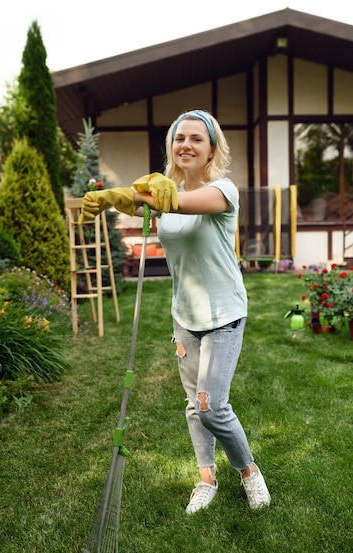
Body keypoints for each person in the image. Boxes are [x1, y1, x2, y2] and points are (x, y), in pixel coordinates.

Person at [81, 109, 271, 514]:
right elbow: (153, 203)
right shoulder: (164, 196)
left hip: (223, 314)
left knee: (211, 406)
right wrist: (110, 197)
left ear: (211, 150)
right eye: (179, 137)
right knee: (193, 405)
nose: (186, 144)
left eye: (196, 139)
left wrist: (137, 194)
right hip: (184, 314)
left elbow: (181, 203)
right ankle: (206, 479)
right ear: (171, 145)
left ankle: (248, 471)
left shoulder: (223, 191)